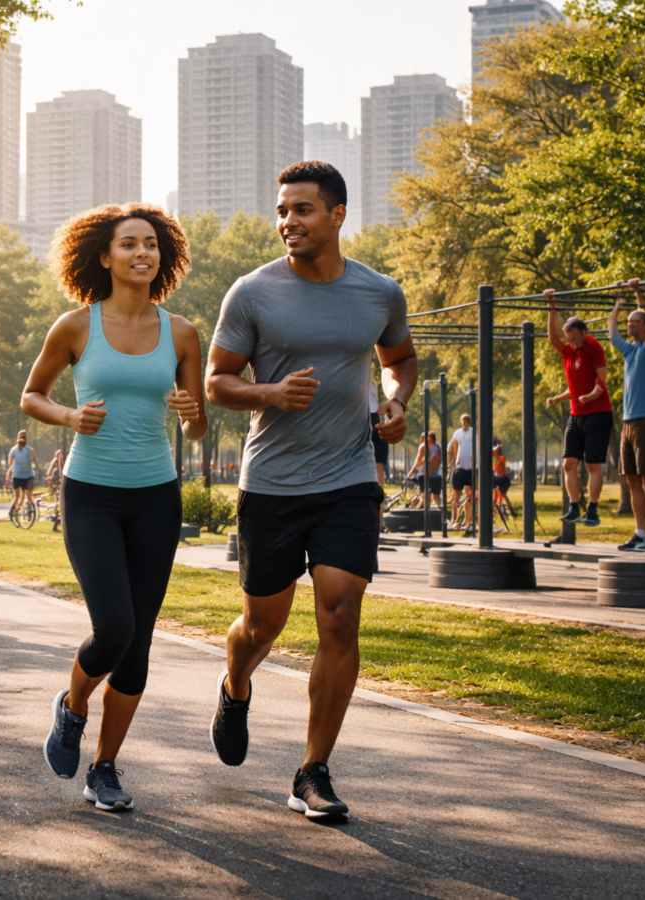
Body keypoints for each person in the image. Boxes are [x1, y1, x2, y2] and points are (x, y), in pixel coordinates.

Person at [205, 161, 416, 820]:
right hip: (271, 483)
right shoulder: (252, 292)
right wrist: (269, 393)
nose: (287, 222)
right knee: (261, 626)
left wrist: (394, 400)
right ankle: (236, 681)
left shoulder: (379, 293)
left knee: (338, 615)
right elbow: (216, 382)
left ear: (337, 215)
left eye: (301, 210)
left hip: (349, 478)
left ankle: (313, 770)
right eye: (283, 211)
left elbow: (399, 361)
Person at [24, 202, 206, 813]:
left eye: (151, 244)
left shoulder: (182, 332)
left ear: (164, 256)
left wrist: (194, 416)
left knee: (140, 644)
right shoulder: (76, 327)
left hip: (156, 494)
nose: (141, 253)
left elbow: (199, 424)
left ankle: (105, 768)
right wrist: (72, 415)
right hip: (92, 493)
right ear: (105, 256)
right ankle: (73, 705)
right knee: (115, 629)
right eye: (129, 244)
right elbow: (32, 395)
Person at [545, 290, 613, 526]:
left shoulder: (593, 347)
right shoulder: (569, 351)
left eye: (574, 337)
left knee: (593, 464)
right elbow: (552, 337)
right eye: (568, 338)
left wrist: (593, 394)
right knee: (568, 463)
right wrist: (552, 305)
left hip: (598, 414)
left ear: (583, 332)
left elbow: (601, 381)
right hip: (577, 414)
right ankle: (574, 505)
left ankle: (592, 509)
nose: (570, 342)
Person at [609, 280, 645, 551]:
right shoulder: (630, 352)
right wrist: (621, 304)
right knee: (631, 479)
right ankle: (640, 532)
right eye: (628, 322)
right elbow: (612, 335)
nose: (629, 325)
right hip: (629, 422)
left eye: (634, 322)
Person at [447, 414, 476, 533]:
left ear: (469, 422)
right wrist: (451, 464)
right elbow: (451, 448)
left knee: (470, 496)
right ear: (461, 422)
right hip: (459, 468)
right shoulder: (457, 433)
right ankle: (454, 519)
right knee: (456, 496)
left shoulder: (474, 432)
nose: (465, 423)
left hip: (471, 468)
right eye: (463, 421)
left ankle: (468, 520)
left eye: (467, 421)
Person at [405, 432, 442, 509]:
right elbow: (438, 461)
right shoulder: (438, 447)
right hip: (436, 475)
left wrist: (409, 474)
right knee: (436, 498)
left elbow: (417, 462)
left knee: (425, 497)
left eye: (422, 438)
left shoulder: (423, 447)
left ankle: (417, 512)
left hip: (425, 475)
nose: (421, 440)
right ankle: (441, 516)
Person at [6, 430, 39, 518]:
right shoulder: (13, 450)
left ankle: (30, 511)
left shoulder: (30, 449)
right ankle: (12, 511)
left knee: (28, 495)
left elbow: (34, 461)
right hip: (17, 476)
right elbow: (9, 462)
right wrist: (10, 471)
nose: (23, 438)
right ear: (17, 438)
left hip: (28, 475)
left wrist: (38, 469)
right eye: (21, 436)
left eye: (24, 436)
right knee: (17, 496)